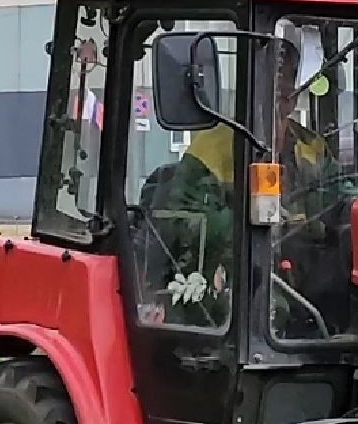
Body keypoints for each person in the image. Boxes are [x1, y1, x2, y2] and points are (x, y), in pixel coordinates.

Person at [144, 37, 338, 328]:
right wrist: (245, 223)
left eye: (290, 78)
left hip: (307, 283)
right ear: (252, 81)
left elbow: (339, 197)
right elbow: (180, 223)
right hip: (236, 280)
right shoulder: (210, 150)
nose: (283, 89)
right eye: (273, 77)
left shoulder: (312, 148)